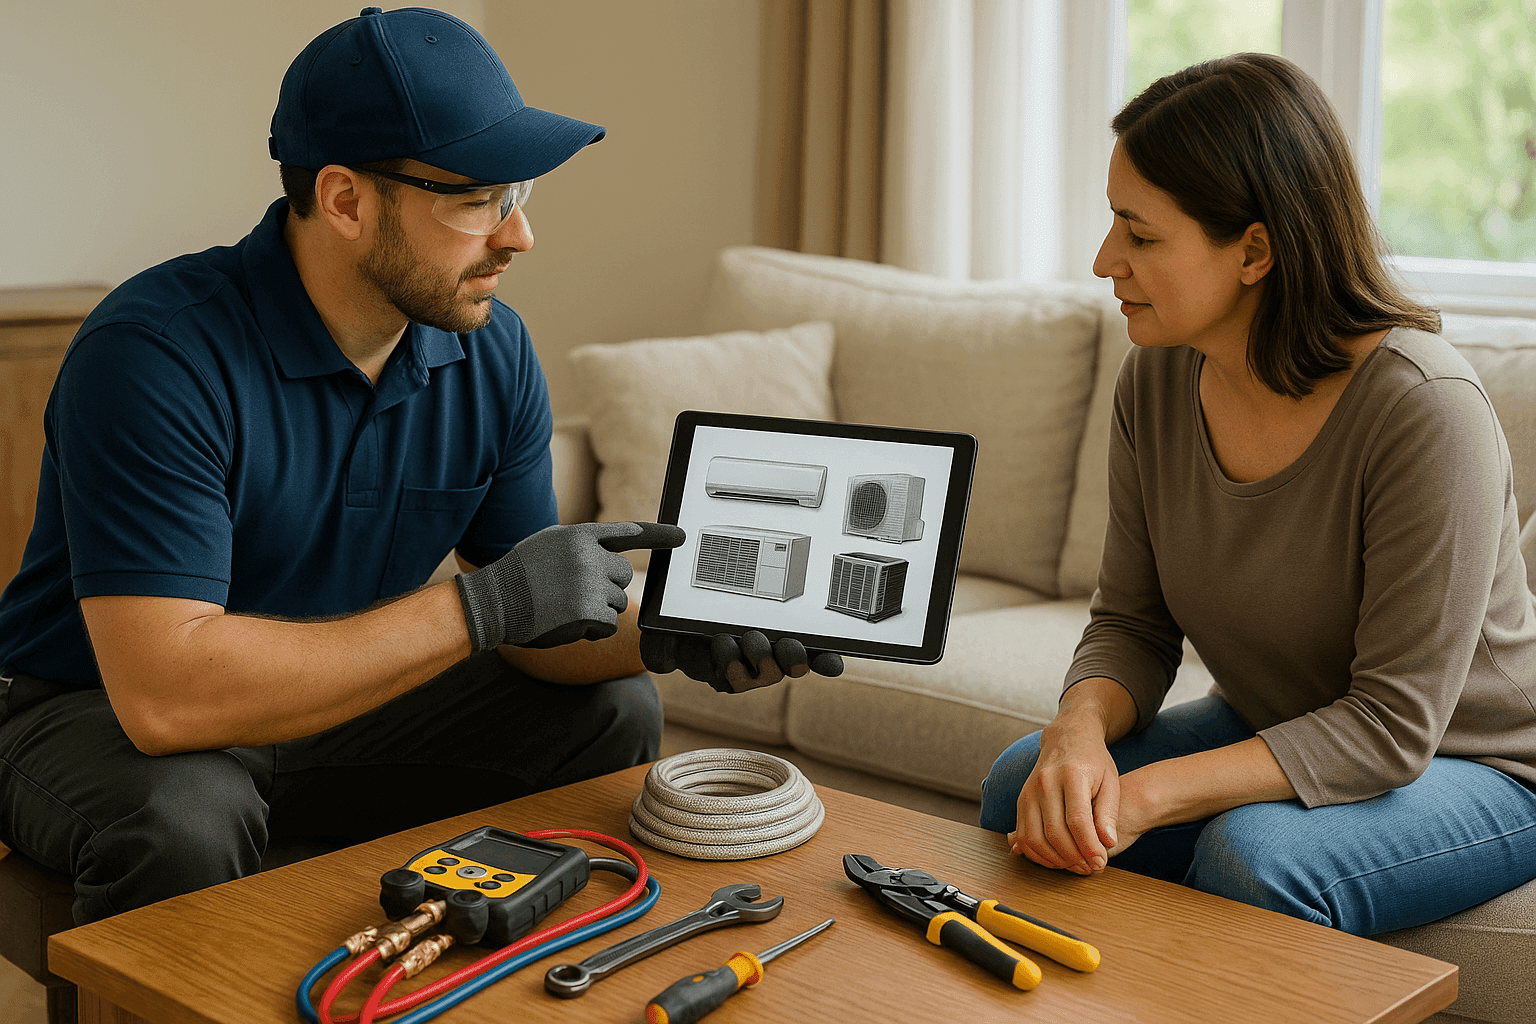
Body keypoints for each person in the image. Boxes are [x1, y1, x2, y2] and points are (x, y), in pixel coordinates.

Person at [0, 7, 837, 926]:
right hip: (86, 712)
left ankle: (498, 980)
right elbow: (166, 697)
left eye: (516, 194)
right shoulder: (155, 354)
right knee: (186, 818)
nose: (517, 238)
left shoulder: (489, 351)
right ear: (347, 200)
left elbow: (536, 625)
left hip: (339, 709)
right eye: (476, 200)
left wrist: (674, 634)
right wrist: (482, 605)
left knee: (614, 707)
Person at [979, 52, 1536, 936]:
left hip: (1473, 763)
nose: (1103, 260)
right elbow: (1132, 621)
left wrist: (1148, 794)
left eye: (1140, 233)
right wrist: (1077, 730)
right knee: (1026, 783)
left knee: (1253, 856)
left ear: (1255, 250)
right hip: (1283, 717)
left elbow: (1393, 725)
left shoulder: (1425, 409)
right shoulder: (1154, 382)